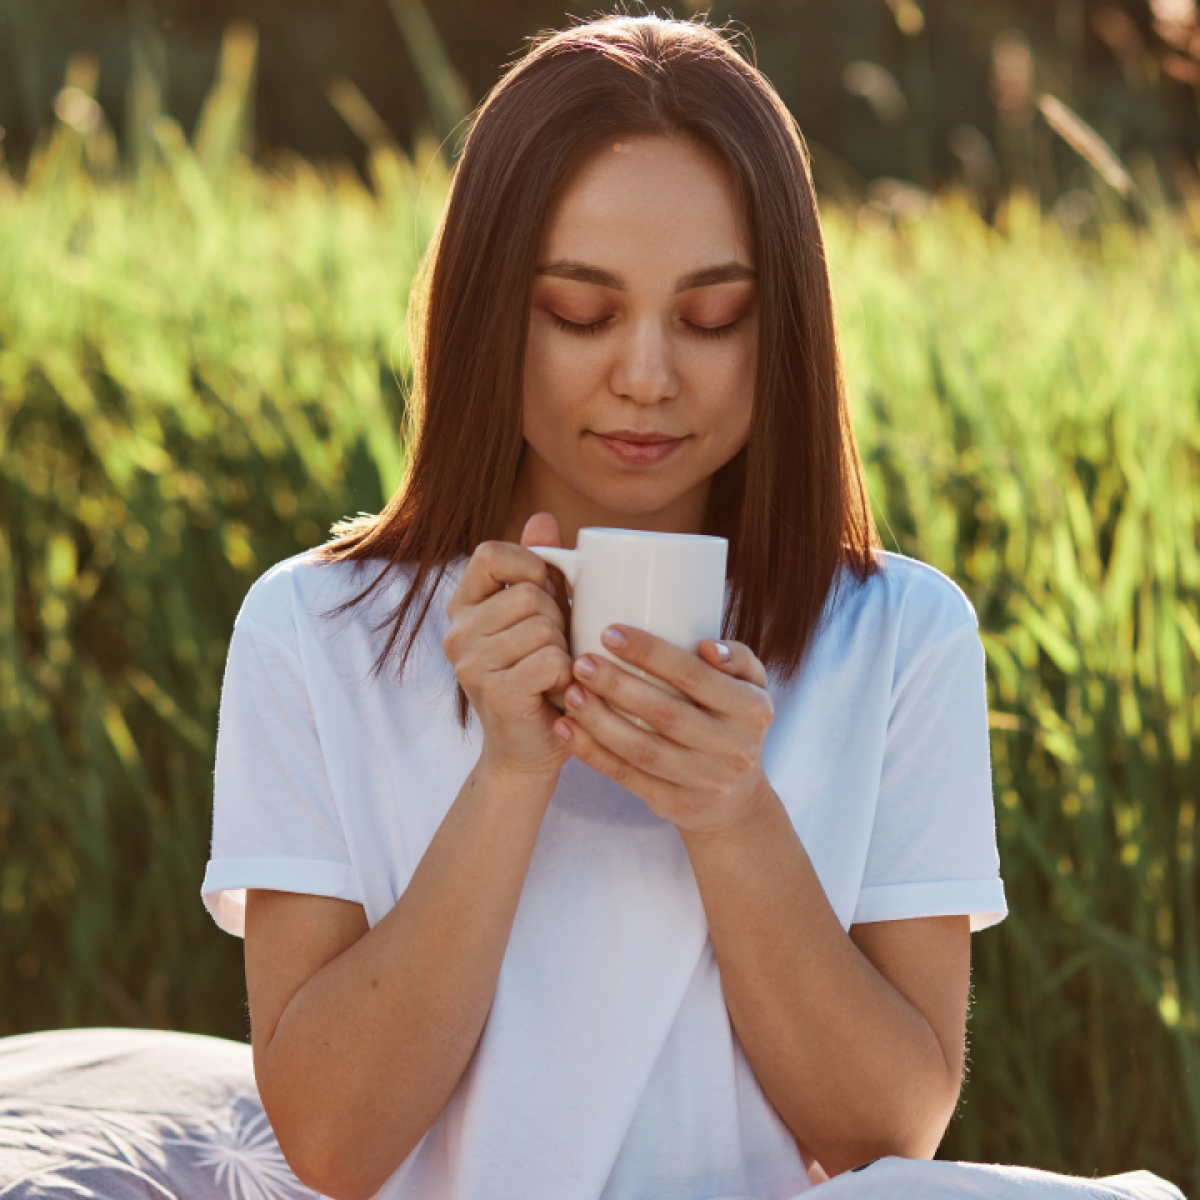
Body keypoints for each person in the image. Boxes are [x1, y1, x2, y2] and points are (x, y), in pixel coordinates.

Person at [202, 14, 1006, 1200]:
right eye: (580, 312)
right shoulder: (318, 632)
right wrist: (507, 782)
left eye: (712, 317)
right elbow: (333, 1141)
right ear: (488, 311)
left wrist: (733, 818)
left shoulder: (896, 638)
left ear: (779, 327)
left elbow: (889, 1137)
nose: (646, 373)